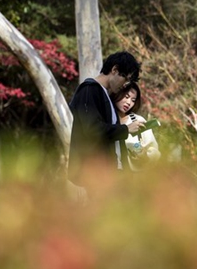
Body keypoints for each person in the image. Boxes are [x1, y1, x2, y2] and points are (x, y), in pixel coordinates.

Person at [67, 51, 146, 184]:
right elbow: (92, 129)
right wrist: (126, 130)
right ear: (114, 70)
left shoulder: (105, 96)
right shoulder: (89, 89)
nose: (125, 84)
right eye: (125, 78)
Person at [111, 82, 161, 171]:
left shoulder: (137, 120)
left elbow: (154, 149)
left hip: (133, 174)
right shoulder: (107, 120)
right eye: (126, 97)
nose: (129, 102)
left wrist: (146, 155)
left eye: (133, 100)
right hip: (110, 171)